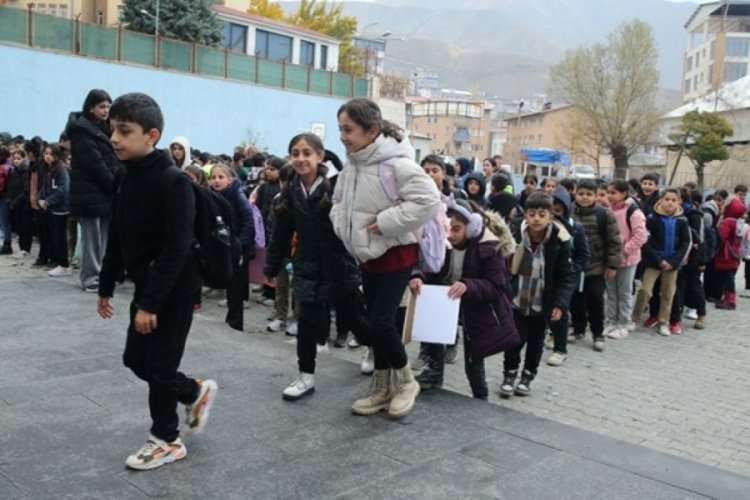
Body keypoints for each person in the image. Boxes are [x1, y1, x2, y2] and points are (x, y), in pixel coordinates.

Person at [97, 93, 217, 470]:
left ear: (151, 135)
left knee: (160, 368)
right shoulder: (124, 177)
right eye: (112, 129)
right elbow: (117, 235)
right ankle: (194, 391)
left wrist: (151, 303)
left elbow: (177, 246)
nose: (114, 138)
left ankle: (166, 439)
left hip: (174, 290)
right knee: (135, 360)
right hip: (147, 288)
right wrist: (106, 284)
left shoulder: (173, 182)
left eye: (124, 131)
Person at [330, 98, 441, 418]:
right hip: (368, 255)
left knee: (380, 322)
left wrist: (386, 223)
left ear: (372, 130)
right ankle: (381, 388)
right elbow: (338, 201)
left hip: (396, 253)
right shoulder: (353, 163)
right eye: (340, 129)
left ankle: (406, 382)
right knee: (382, 324)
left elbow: (428, 200)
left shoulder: (396, 164)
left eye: (348, 129)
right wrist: (343, 225)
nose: (343, 136)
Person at [265, 133, 363, 400]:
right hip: (307, 265)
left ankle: (375, 352)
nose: (300, 158)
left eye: (306, 153)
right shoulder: (291, 189)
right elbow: (281, 233)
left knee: (356, 319)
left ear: (320, 156)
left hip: (340, 265)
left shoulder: (337, 185)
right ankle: (305, 376)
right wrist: (271, 267)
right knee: (306, 323)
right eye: (295, 153)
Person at [409, 199, 517, 400]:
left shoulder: (488, 246)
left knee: (473, 358)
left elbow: (497, 285)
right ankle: (434, 373)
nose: (451, 234)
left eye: (457, 228)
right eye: (447, 228)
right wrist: (418, 277)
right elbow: (425, 265)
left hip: (476, 305)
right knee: (433, 338)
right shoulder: (440, 240)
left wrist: (469, 285)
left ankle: (480, 394)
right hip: (445, 299)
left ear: (471, 226)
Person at [501, 192, 575, 397]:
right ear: (525, 215)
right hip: (517, 299)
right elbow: (502, 264)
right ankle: (509, 373)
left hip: (542, 303)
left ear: (550, 216)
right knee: (514, 340)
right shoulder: (515, 233)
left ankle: (527, 375)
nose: (536, 219)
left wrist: (559, 304)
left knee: (535, 342)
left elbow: (566, 277)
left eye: (542, 214)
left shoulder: (560, 240)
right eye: (532, 214)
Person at [66, 89, 121, 292]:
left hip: (105, 193)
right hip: (89, 193)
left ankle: (103, 275)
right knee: (91, 239)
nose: (106, 110)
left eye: (108, 106)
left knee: (104, 237)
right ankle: (90, 278)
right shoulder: (82, 131)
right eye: (101, 106)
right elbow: (95, 164)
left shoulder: (106, 129)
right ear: (91, 107)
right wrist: (113, 185)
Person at [631, 189, 691, 336]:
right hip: (654, 263)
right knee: (645, 290)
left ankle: (663, 321)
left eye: (673, 200)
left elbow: (685, 242)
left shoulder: (682, 220)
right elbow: (647, 242)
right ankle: (634, 318)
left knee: (668, 293)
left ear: (679, 202)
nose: (670, 202)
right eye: (667, 199)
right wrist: (659, 260)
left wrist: (674, 261)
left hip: (672, 265)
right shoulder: (652, 218)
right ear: (661, 200)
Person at [570, 179, 621, 351]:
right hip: (575, 267)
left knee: (596, 299)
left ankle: (598, 333)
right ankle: (578, 329)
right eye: (581, 194)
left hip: (596, 266)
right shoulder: (569, 212)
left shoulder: (604, 214)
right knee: (575, 300)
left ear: (596, 195)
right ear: (575, 194)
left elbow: (614, 241)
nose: (584, 197)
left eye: (589, 194)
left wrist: (612, 265)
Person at [546, 186, 589, 366]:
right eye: (552, 205)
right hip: (547, 275)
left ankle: (560, 349)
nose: (555, 209)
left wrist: (574, 268)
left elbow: (583, 253)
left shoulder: (575, 227)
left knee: (561, 308)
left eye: (559, 206)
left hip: (566, 276)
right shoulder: (544, 226)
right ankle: (551, 333)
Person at [209, 163, 255, 330]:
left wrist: (239, 245)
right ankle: (231, 318)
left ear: (230, 179)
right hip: (223, 245)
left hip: (238, 247)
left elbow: (248, 222)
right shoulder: (211, 195)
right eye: (213, 177)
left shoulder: (238, 195)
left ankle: (235, 323)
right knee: (229, 282)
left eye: (221, 177)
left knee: (236, 286)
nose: (216, 181)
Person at [604, 180, 647, 339]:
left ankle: (623, 323)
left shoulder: (634, 212)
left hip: (627, 260)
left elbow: (640, 237)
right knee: (611, 292)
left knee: (624, 292)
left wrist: (623, 251)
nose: (610, 196)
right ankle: (611, 321)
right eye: (608, 192)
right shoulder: (607, 210)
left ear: (623, 193)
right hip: (609, 259)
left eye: (613, 193)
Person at [37, 144, 71, 277]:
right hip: (50, 208)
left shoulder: (61, 170)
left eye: (51, 154)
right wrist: (41, 199)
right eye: (46, 153)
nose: (48, 156)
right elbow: (44, 188)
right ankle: (59, 262)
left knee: (60, 237)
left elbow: (64, 190)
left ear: (57, 156)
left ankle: (64, 265)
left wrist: (48, 201)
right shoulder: (47, 170)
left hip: (61, 209)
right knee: (54, 237)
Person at [713, 197, 748, 310]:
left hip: (725, 253)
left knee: (727, 278)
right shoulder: (739, 222)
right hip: (734, 253)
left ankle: (730, 300)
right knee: (729, 277)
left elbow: (722, 237)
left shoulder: (728, 221)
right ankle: (728, 298)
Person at [8, 149, 33, 258]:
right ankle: (21, 248)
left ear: (24, 158)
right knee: (19, 228)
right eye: (15, 159)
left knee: (25, 227)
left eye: (19, 158)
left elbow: (26, 190)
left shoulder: (26, 171)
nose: (16, 161)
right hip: (15, 203)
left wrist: (17, 200)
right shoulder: (14, 171)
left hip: (24, 204)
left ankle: (26, 249)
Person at [0, 146, 11, 254]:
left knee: (4, 221)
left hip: (3, 197)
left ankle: (7, 244)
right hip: (8, 196)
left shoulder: (2, 168)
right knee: (5, 222)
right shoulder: (9, 166)